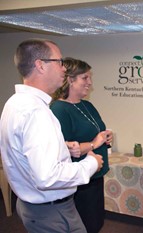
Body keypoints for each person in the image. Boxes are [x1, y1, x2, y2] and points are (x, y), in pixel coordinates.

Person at [0, 39, 103, 233]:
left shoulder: (15, 103)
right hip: (51, 211)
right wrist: (90, 164)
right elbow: (47, 177)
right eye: (59, 61)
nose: (64, 69)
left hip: (35, 206)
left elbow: (23, 149)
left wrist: (62, 147)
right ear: (40, 65)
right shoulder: (36, 112)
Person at [50, 57, 113, 233]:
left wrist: (105, 137)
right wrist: (95, 143)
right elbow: (64, 150)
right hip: (79, 182)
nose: (90, 83)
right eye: (85, 78)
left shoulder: (87, 105)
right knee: (84, 226)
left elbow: (96, 132)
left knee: (95, 223)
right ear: (70, 79)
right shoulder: (59, 110)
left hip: (95, 176)